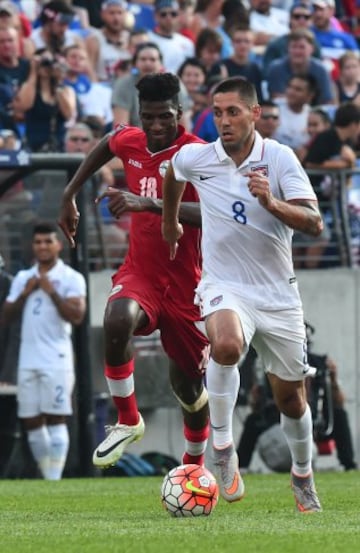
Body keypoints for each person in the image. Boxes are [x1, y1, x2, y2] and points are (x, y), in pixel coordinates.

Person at [162, 76, 324, 512]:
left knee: (291, 399)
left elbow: (314, 222)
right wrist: (169, 221)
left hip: (277, 295)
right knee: (227, 344)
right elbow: (174, 174)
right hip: (223, 284)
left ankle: (303, 473)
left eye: (233, 111)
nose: (224, 120)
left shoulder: (279, 157)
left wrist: (272, 203)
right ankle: (222, 448)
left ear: (254, 113)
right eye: (217, 112)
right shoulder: (200, 156)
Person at [57, 73, 211, 471]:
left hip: (186, 284)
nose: (157, 126)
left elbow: (216, 214)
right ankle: (128, 419)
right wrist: (69, 193)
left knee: (189, 389)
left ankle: (193, 464)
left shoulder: (198, 154)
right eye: (149, 118)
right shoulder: (132, 141)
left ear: (180, 113)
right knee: (115, 319)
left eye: (165, 117)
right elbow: (105, 144)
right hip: (141, 272)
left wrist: (152, 206)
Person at [2, 222, 87, 480]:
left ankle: (54, 479)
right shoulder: (22, 278)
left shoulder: (71, 278)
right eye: (38, 242)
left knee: (56, 416)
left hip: (56, 358)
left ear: (58, 245)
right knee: (31, 419)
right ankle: (47, 475)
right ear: (33, 246)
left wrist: (52, 294)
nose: (42, 246)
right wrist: (25, 294)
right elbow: (5, 316)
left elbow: (77, 316)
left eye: (48, 241)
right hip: (27, 359)